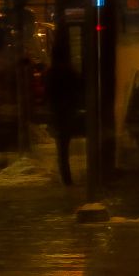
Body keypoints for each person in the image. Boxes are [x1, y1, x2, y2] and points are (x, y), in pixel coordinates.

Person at [44, 54, 83, 187]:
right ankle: (67, 177)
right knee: (64, 146)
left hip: (58, 113)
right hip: (68, 113)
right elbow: (78, 90)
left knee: (62, 149)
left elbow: (48, 94)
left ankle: (66, 177)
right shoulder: (71, 73)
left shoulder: (51, 74)